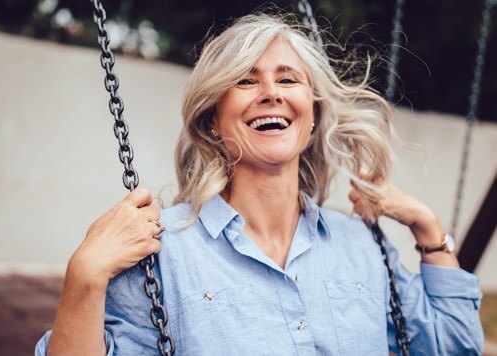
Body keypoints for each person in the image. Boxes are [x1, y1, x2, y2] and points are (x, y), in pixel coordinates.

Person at [36, 13, 483, 355]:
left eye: (288, 79)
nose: (271, 92)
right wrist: (85, 276)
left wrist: (429, 230)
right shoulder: (162, 252)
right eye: (246, 80)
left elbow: (455, 345)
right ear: (213, 119)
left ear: (313, 116)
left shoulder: (361, 245)